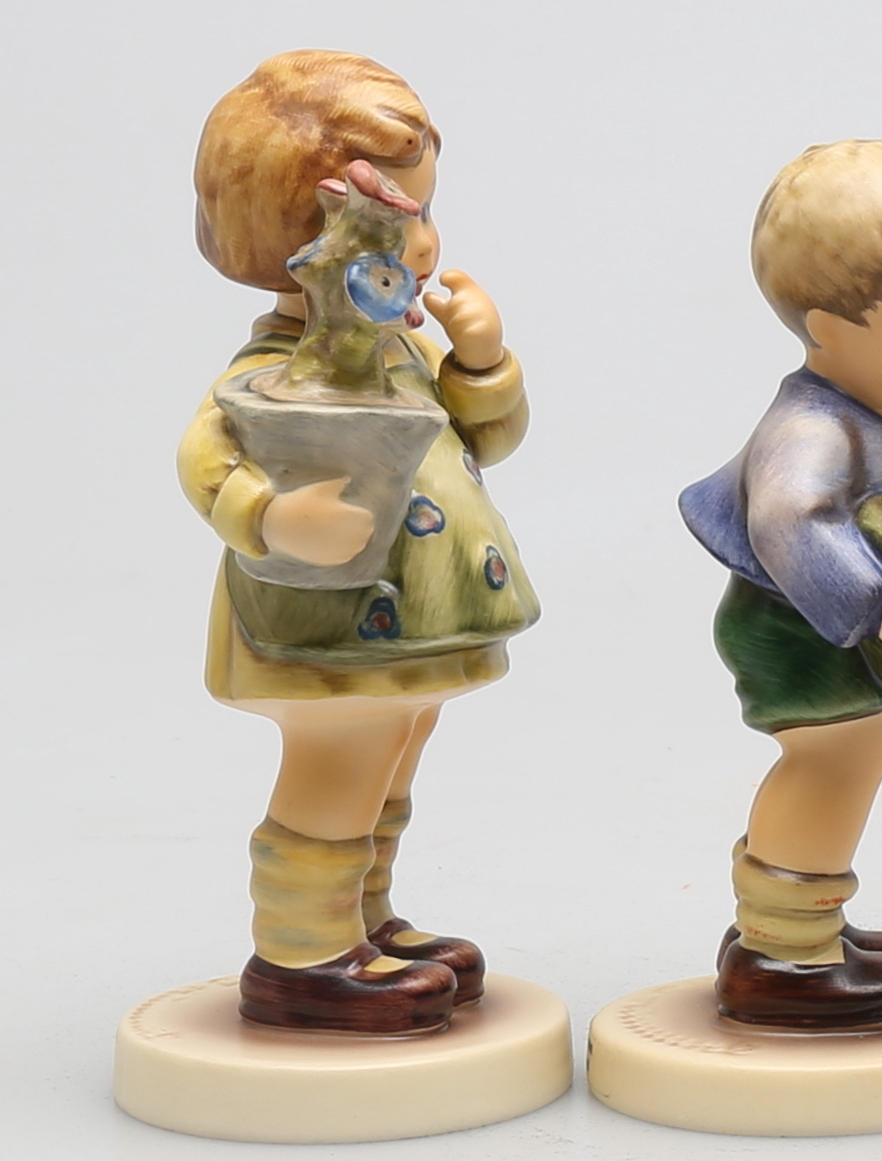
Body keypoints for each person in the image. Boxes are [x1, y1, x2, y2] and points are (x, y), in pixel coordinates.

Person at [178, 50, 538, 1034]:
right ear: (302, 245)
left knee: (391, 763)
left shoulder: (404, 351)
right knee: (339, 766)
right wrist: (270, 516)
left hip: (408, 624)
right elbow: (206, 459)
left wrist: (481, 361)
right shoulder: (268, 374)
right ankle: (301, 950)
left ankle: (364, 922)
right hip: (327, 624)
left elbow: (485, 440)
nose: (423, 246)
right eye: (395, 225)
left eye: (426, 214)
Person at [679, 139, 882, 1030]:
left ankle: (805, 921)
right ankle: (779, 953)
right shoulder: (813, 430)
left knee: (855, 750)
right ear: (825, 329)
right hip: (795, 621)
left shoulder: (873, 406)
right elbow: (791, 522)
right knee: (834, 756)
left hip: (821, 620)